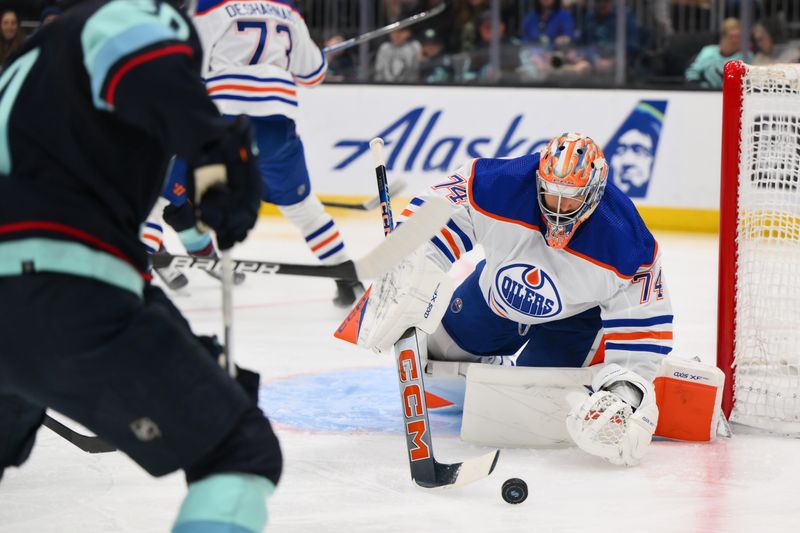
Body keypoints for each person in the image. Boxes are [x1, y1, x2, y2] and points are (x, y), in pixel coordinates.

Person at [0, 2, 282, 532]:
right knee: (239, 451)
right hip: (58, 288)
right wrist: (215, 150)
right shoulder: (131, 16)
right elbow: (147, 62)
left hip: (34, 282)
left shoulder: (30, 59)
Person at [354, 133, 671, 467]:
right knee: (431, 357)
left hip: (575, 319)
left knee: (530, 409)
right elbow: (437, 214)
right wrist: (408, 265)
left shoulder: (627, 241)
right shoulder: (499, 183)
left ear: (593, 194)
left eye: (571, 198)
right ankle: (492, 368)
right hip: (495, 296)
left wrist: (626, 396)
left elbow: (645, 330)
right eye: (551, 193)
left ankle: (523, 374)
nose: (558, 207)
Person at [192, 0, 364, 306]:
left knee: (169, 191)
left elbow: (191, 61)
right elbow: (312, 75)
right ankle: (344, 276)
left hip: (220, 120)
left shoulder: (209, 5)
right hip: (274, 123)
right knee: (300, 205)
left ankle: (138, 267)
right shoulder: (287, 9)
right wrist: (319, 57)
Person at [685, 18, 748, 88]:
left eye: (739, 37)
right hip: (705, 92)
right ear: (723, 37)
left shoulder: (746, 56)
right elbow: (692, 73)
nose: (736, 41)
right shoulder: (708, 51)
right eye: (732, 36)